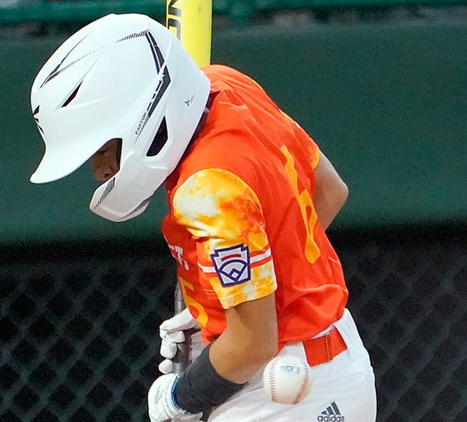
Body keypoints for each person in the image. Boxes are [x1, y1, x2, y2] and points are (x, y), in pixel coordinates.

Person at [28, 13, 376, 422]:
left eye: (102, 148)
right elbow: (328, 191)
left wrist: (181, 396)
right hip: (328, 366)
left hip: (282, 392)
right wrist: (235, 290)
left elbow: (252, 343)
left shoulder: (207, 188)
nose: (100, 171)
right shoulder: (226, 83)